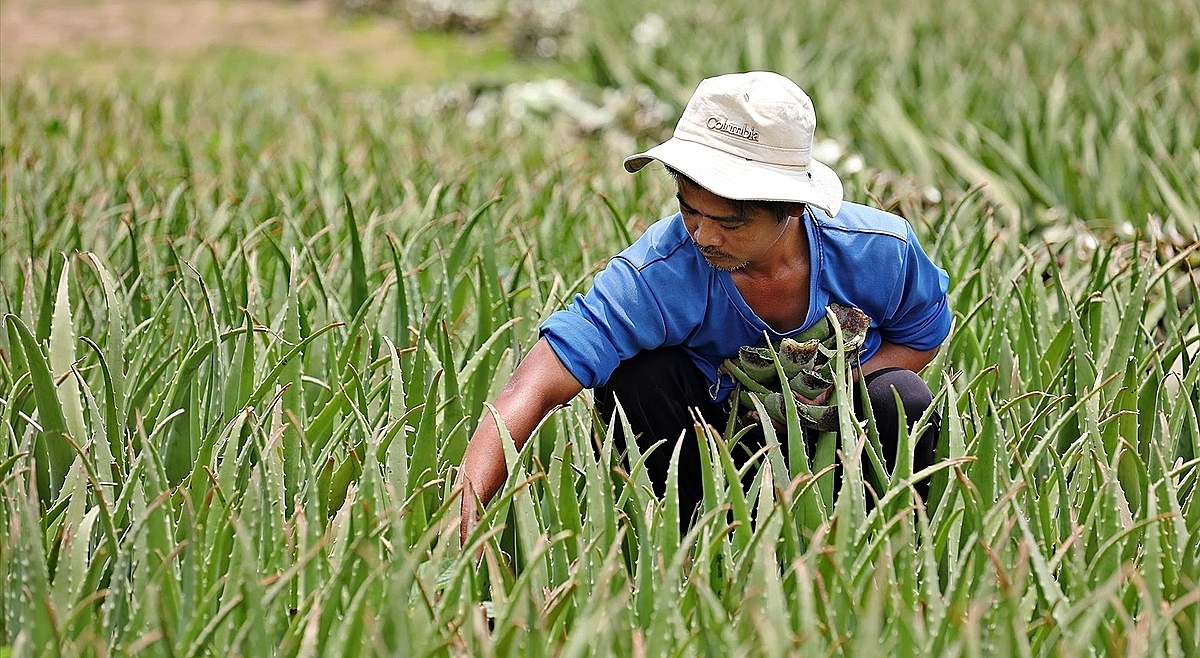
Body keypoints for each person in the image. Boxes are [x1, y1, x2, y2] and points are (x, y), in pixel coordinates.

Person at [458, 71, 951, 540]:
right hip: (711, 446)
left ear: (794, 207)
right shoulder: (662, 270)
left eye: (731, 222)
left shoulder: (878, 251)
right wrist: (462, 529)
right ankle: (689, 543)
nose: (703, 236)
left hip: (838, 447)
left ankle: (875, 548)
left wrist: (828, 398)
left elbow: (920, 336)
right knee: (638, 379)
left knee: (900, 397)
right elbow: (535, 386)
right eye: (689, 208)